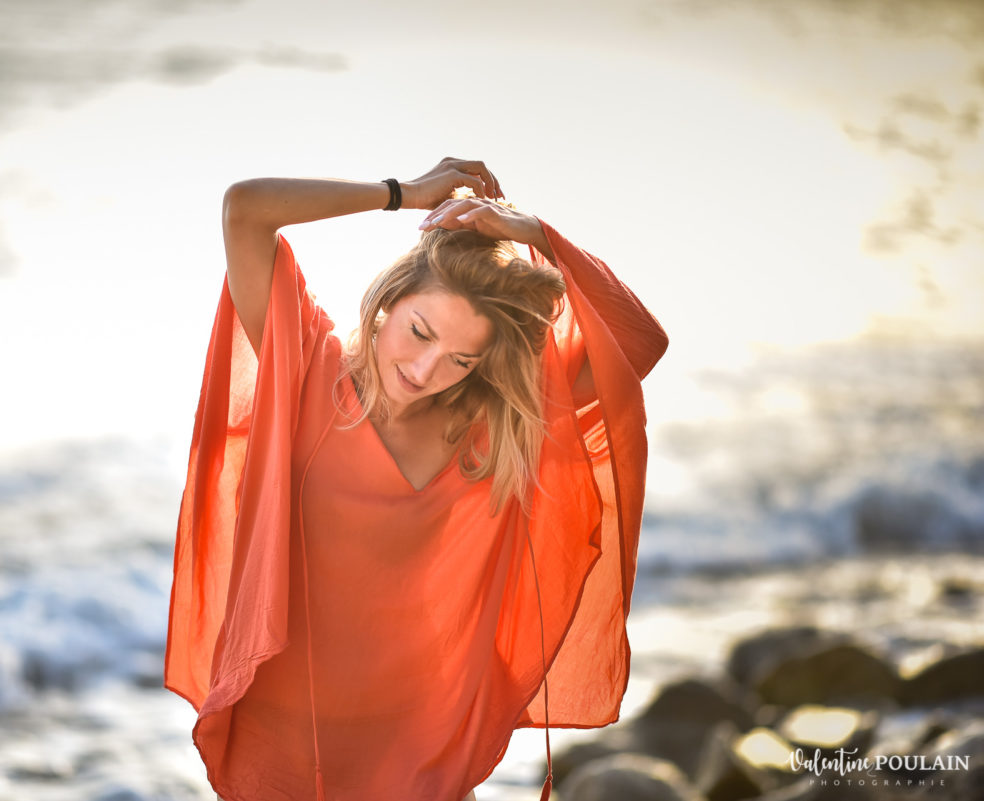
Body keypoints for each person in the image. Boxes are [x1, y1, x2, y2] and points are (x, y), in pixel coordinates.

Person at [165, 158, 669, 801]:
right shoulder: (307, 371)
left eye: (461, 358)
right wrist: (403, 194)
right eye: (420, 332)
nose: (427, 368)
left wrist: (538, 233)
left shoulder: (489, 425)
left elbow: (639, 343)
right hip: (289, 735)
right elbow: (246, 207)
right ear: (389, 300)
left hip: (420, 735)